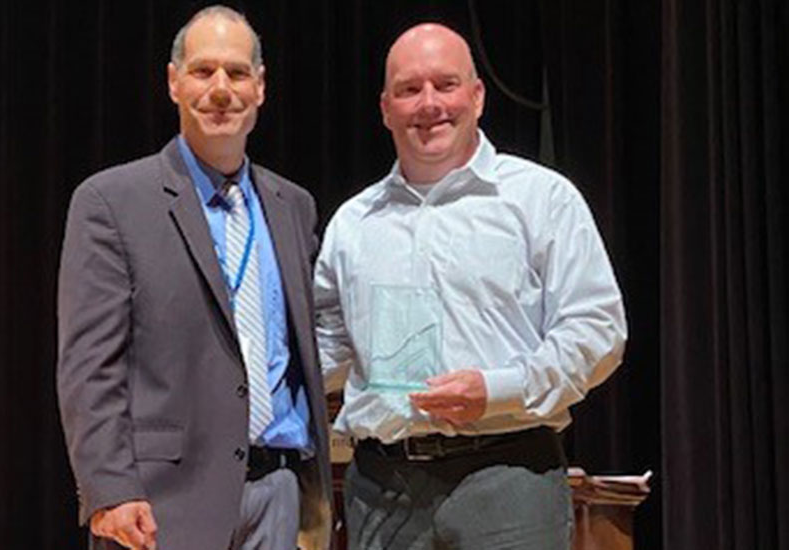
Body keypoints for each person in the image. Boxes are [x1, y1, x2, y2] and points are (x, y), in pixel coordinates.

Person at [314, 23, 627, 550]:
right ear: (385, 108)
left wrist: (496, 390)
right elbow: (326, 347)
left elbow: (597, 331)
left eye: (446, 84)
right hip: (382, 489)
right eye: (409, 89)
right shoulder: (353, 223)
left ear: (477, 96)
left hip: (508, 476)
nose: (429, 103)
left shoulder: (541, 199)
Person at [57, 6, 331, 550]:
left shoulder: (292, 206)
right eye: (204, 71)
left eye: (237, 73)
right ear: (174, 82)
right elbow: (89, 366)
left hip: (279, 493)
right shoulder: (112, 202)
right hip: (161, 505)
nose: (221, 89)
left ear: (260, 86)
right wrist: (110, 489)